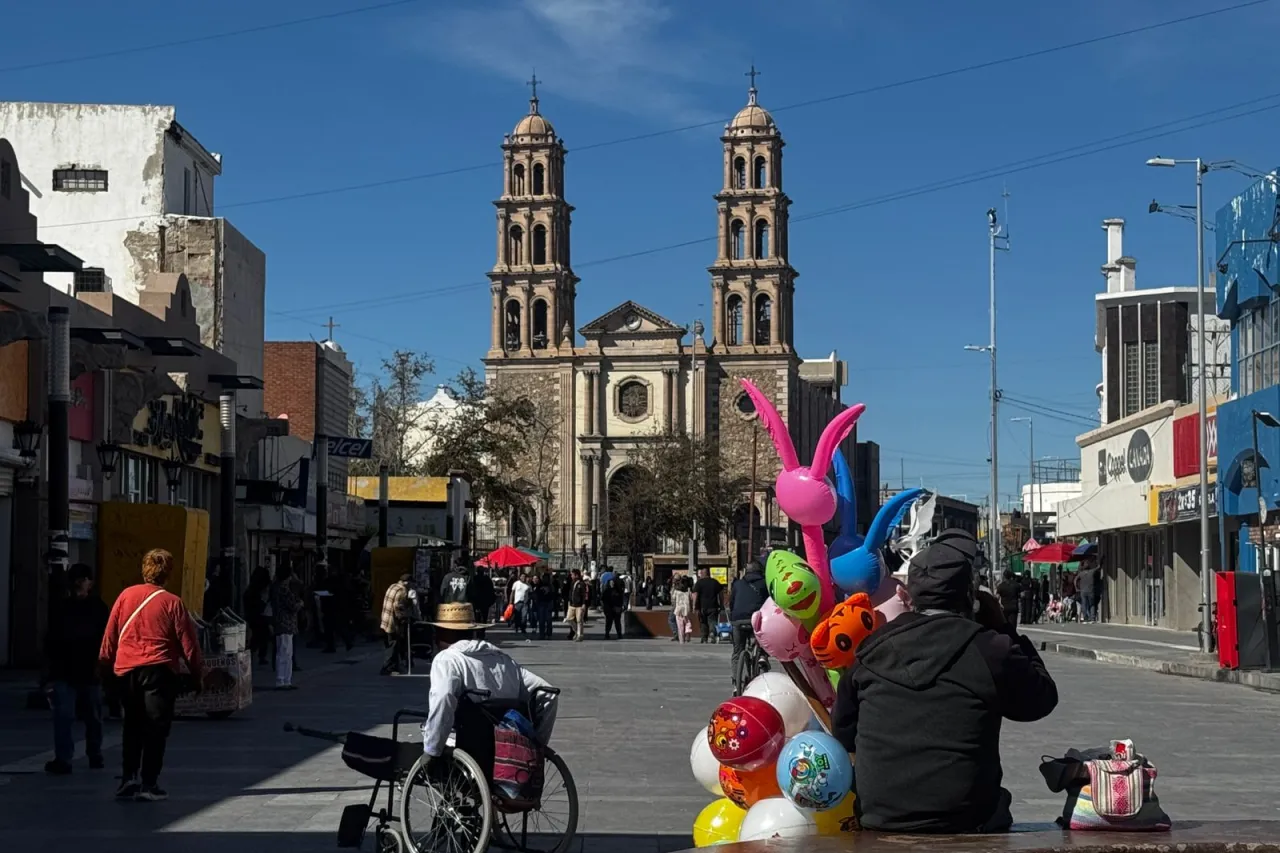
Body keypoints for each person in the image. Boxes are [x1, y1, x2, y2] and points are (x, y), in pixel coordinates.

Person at [830, 529, 1059, 834]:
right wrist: (1005, 629)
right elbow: (1041, 700)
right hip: (967, 818)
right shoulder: (989, 648)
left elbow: (844, 733)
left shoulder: (872, 650)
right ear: (970, 596)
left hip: (882, 817)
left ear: (908, 594)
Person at [98, 548, 204, 802]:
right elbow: (188, 644)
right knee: (156, 727)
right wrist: (197, 673)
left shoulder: (125, 596)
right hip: (159, 670)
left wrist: (104, 668)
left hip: (126, 670)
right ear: (168, 573)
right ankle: (149, 783)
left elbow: (110, 636)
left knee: (132, 725)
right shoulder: (172, 602)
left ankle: (128, 778)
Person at [420, 602, 559, 780]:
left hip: (468, 746)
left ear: (441, 633)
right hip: (508, 749)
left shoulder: (447, 659)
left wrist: (431, 750)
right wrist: (537, 744)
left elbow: (444, 698)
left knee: (426, 731)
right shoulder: (503, 660)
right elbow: (548, 694)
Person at [44, 563, 109, 775]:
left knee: (93, 716)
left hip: (90, 670)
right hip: (65, 670)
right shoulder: (61, 607)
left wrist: (104, 665)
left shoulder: (98, 607)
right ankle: (64, 759)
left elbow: (106, 638)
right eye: (77, 580)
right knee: (64, 716)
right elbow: (51, 640)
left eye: (84, 579)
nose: (80, 584)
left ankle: (94, 753)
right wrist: (49, 673)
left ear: (90, 583)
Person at [728, 560, 768, 677]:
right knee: (763, 636)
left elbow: (731, 603)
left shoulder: (737, 584)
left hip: (738, 619)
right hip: (756, 620)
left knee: (737, 651)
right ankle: (762, 655)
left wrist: (733, 616)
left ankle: (736, 682)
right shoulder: (764, 583)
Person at [271, 564, 304, 690]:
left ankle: (285, 679)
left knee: (283, 651)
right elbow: (293, 605)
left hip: (280, 622)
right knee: (285, 652)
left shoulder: (275, 587)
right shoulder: (284, 589)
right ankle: (283, 680)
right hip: (286, 623)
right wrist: (300, 603)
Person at [380, 573, 415, 676]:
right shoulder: (402, 590)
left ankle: (394, 666)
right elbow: (398, 607)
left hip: (385, 619)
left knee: (391, 643)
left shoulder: (392, 586)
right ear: (407, 583)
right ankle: (386, 668)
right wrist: (404, 617)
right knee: (393, 645)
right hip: (392, 622)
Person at [243, 567, 273, 666]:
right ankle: (259, 655)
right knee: (262, 635)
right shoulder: (260, 591)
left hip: (252, 616)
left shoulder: (250, 590)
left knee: (257, 636)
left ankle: (254, 654)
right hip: (260, 616)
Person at [693, 568, 724, 644]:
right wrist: (722, 604)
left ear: (703, 574)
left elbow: (695, 594)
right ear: (709, 573)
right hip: (713, 606)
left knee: (703, 622)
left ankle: (704, 637)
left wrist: (694, 605)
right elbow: (721, 594)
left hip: (702, 606)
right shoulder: (715, 582)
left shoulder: (699, 583)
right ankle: (712, 633)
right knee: (712, 621)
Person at [566, 570, 588, 641]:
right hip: (572, 604)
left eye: (572, 575)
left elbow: (584, 594)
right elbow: (570, 592)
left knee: (579, 620)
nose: (571, 576)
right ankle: (576, 631)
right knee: (569, 619)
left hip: (579, 605)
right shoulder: (572, 583)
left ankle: (579, 635)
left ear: (576, 575)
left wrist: (584, 604)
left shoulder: (581, 584)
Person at [533, 572, 555, 640]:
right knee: (541, 620)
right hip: (541, 604)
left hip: (548, 603)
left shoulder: (551, 585)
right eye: (544, 578)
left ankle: (548, 633)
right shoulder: (539, 585)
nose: (545, 579)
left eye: (546, 578)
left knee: (548, 620)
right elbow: (536, 594)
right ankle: (541, 634)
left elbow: (554, 595)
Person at [672, 577, 693, 644]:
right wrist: (692, 608)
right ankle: (687, 632)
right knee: (688, 622)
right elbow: (691, 600)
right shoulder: (689, 591)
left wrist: (674, 606)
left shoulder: (676, 591)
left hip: (678, 610)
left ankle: (682, 640)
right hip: (686, 609)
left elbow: (673, 599)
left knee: (680, 626)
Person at [1077, 557, 1099, 623]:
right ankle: (1092, 619)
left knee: (1084, 604)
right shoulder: (1092, 571)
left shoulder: (1081, 573)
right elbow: (1099, 567)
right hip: (1090, 590)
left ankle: (1085, 619)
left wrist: (1077, 588)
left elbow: (1075, 580)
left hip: (1083, 591)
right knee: (1092, 604)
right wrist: (1101, 560)